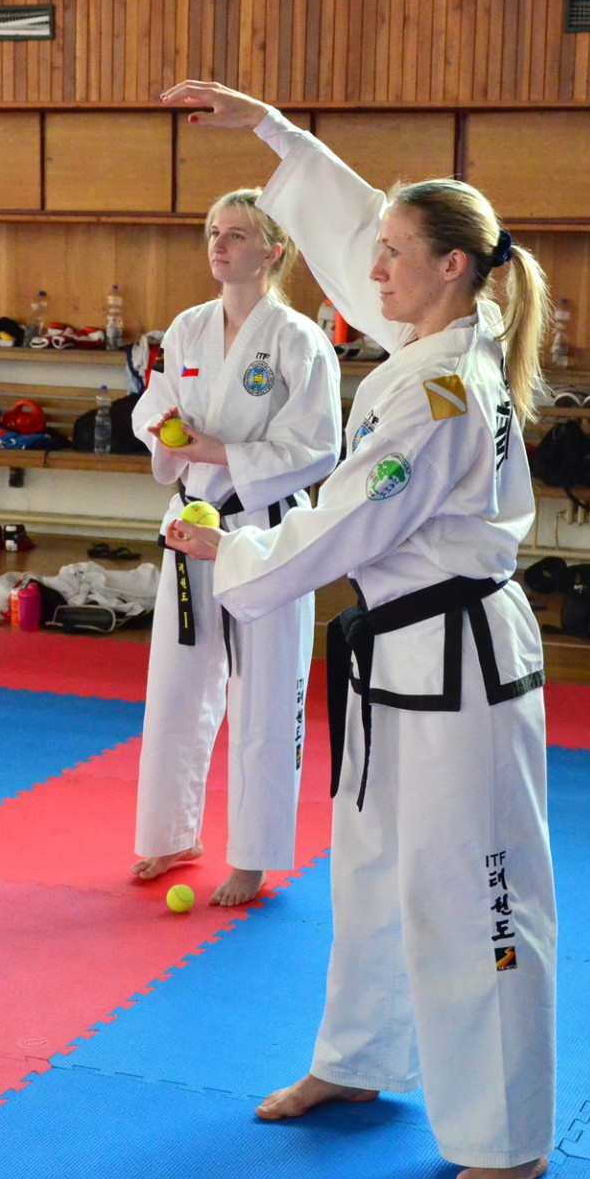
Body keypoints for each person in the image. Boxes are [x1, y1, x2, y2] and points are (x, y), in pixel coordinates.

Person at [158, 80, 556, 1179]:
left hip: (460, 665)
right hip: (396, 659)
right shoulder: (438, 338)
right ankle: (361, 1057)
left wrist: (230, 546)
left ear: (453, 268)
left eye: (396, 254)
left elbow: (344, 525)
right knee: (375, 871)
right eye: (376, 250)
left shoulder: (439, 389)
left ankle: (510, 1133)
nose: (372, 270)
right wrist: (272, 134)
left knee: (477, 893)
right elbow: (342, 240)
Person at [129, 190, 341, 908]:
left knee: (266, 692)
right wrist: (162, 427)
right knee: (176, 684)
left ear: (274, 251)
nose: (219, 245)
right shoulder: (188, 328)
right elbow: (152, 403)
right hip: (191, 525)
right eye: (215, 233)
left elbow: (318, 447)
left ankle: (252, 857)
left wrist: (219, 449)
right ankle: (169, 833)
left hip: (264, 532)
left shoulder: (299, 340)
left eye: (237, 235)